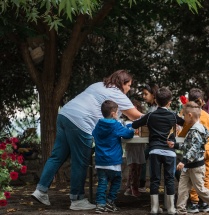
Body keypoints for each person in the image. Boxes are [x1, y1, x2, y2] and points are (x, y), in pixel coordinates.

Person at [31, 70, 142, 210]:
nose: (129, 89)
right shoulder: (117, 93)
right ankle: (77, 200)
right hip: (80, 122)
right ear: (122, 83)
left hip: (64, 115)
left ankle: (40, 190)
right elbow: (135, 116)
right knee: (81, 161)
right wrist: (157, 118)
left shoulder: (98, 85)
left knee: (57, 156)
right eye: (129, 85)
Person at [167, 101, 209, 215]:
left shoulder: (196, 130)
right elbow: (189, 146)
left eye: (184, 115)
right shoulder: (196, 128)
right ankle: (181, 211)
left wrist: (184, 161)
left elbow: (194, 148)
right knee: (182, 189)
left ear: (190, 115)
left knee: (200, 189)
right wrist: (175, 145)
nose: (183, 118)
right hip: (189, 166)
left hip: (195, 167)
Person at [132, 87, 185, 215]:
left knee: (155, 180)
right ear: (169, 102)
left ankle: (154, 208)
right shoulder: (173, 115)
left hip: (154, 151)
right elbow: (185, 123)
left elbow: (135, 125)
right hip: (170, 152)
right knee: (170, 179)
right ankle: (171, 209)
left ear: (155, 100)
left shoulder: (150, 116)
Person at [92, 100, 135, 213]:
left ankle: (100, 204)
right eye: (116, 112)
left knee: (102, 182)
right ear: (113, 113)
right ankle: (110, 201)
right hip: (113, 161)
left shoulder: (98, 125)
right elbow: (128, 134)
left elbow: (94, 134)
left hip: (101, 160)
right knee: (116, 181)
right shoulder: (116, 125)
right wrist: (130, 127)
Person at [177, 88, 209, 213]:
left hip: (196, 153)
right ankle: (206, 203)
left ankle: (194, 203)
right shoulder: (207, 115)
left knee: (193, 177)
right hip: (207, 149)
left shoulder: (190, 117)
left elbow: (184, 132)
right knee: (206, 176)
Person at [139, 83, 159, 193]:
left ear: (153, 95)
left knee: (144, 158)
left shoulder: (155, 108)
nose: (144, 96)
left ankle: (143, 184)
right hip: (150, 141)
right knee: (143, 157)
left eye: (146, 94)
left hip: (155, 142)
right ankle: (141, 183)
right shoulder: (151, 107)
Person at [124, 100, 146, 197]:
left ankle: (130, 187)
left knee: (139, 167)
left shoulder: (141, 121)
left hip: (140, 147)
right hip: (131, 147)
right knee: (132, 167)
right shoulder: (127, 122)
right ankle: (133, 187)